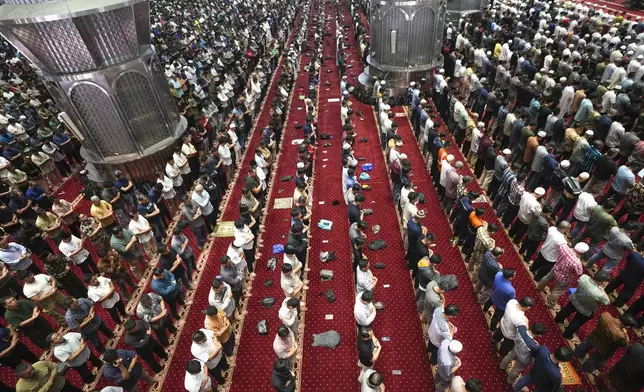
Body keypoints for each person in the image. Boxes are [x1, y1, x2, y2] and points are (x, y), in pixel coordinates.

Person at [513, 328, 573, 392]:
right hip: (542, 385)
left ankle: (515, 389)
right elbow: (559, 384)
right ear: (562, 361)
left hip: (533, 373)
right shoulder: (556, 374)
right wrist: (560, 372)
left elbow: (532, 347)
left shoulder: (544, 349)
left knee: (522, 381)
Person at [555, 271, 611, 338]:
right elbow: (607, 302)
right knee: (576, 322)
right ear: (602, 282)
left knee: (567, 310)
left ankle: (558, 319)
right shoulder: (600, 294)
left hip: (575, 299)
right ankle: (567, 334)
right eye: (606, 281)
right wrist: (602, 289)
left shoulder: (584, 277)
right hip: (586, 310)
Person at [536, 242, 587, 308]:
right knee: (557, 291)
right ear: (582, 253)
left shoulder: (564, 248)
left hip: (555, 269)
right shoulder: (577, 263)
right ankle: (549, 304)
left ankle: (539, 287)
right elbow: (579, 273)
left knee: (547, 278)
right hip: (564, 278)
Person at [14, 361, 83, 392]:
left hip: (62, 384)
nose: (33, 371)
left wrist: (52, 376)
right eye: (29, 373)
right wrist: (49, 383)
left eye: (32, 368)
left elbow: (54, 367)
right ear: (22, 377)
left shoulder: (40, 364)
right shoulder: (20, 388)